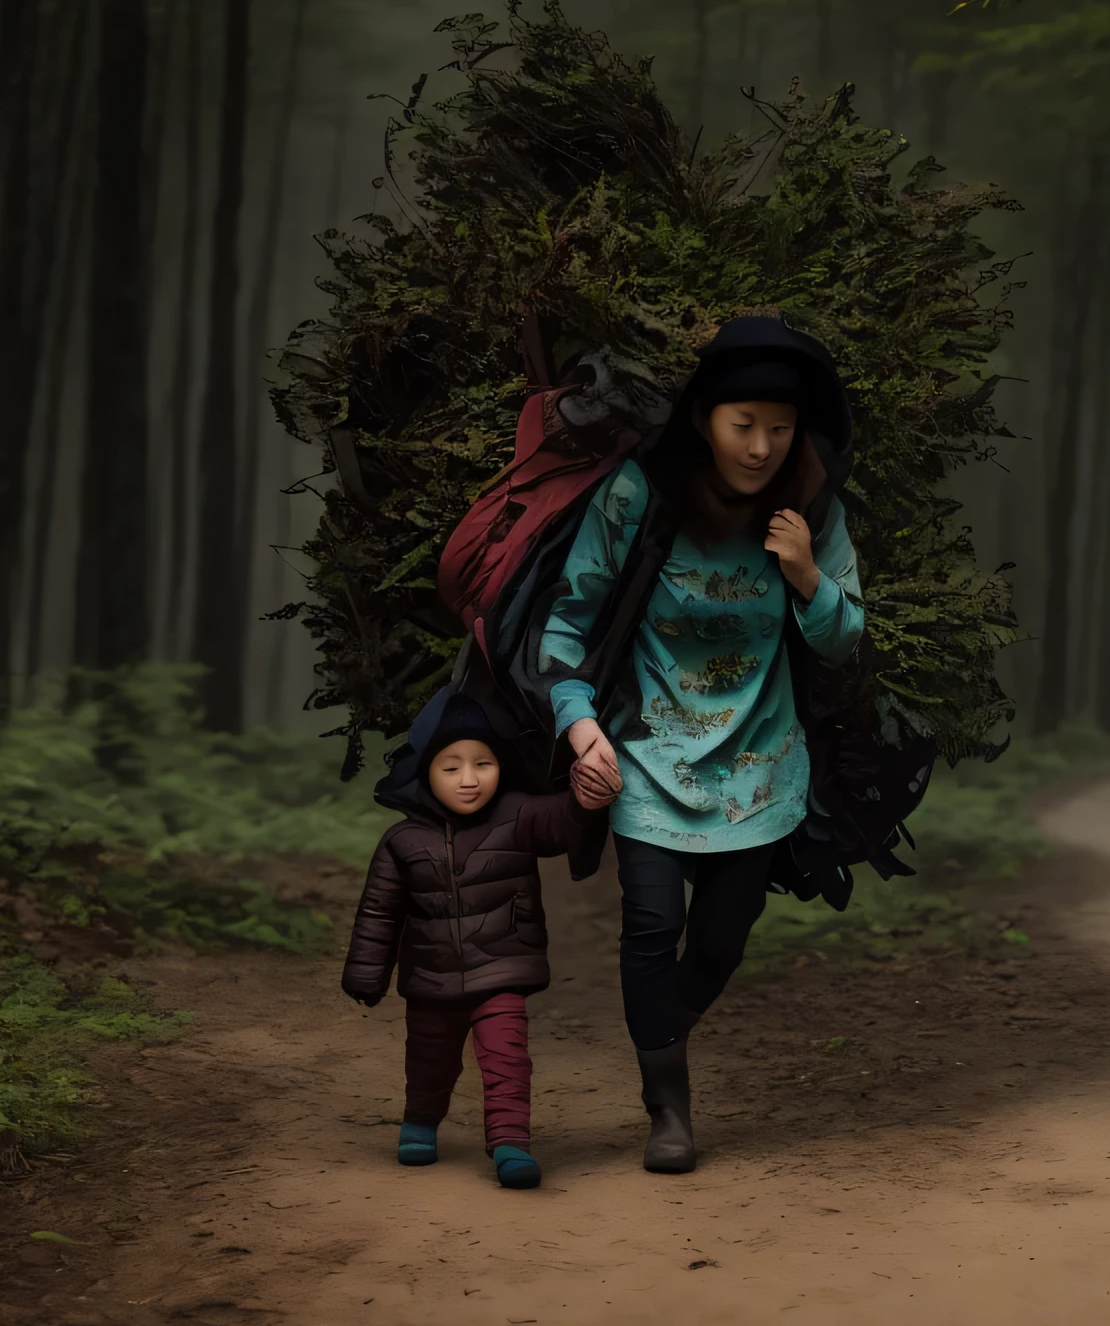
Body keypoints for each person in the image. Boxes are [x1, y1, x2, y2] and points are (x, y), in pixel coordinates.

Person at [539, 315, 864, 1175]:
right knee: (650, 928)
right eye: (742, 423)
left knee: (719, 943)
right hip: (645, 756)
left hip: (759, 766)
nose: (761, 446)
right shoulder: (639, 497)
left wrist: (805, 573)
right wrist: (581, 727)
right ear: (702, 419)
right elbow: (566, 627)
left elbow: (844, 638)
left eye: (779, 427)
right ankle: (668, 1111)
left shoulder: (813, 503)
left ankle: (657, 1027)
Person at [340, 692, 616, 1188]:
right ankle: (420, 1123)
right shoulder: (401, 840)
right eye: (451, 767)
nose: (469, 779)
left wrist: (585, 800)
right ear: (425, 771)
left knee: (507, 1057)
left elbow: (563, 824)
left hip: (501, 971)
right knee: (429, 1060)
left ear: (500, 765)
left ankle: (511, 1143)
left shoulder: (517, 813)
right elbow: (379, 912)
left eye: (482, 763)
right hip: (430, 980)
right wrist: (366, 973)